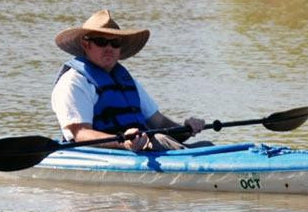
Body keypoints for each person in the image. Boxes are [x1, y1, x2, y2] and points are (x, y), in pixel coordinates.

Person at [51, 10, 208, 151]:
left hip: (144, 151)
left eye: (115, 43)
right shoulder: (73, 82)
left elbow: (159, 124)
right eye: (101, 41)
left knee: (206, 146)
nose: (109, 48)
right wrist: (123, 142)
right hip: (102, 155)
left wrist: (187, 128)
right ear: (86, 44)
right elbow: (81, 134)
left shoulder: (125, 81)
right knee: (160, 139)